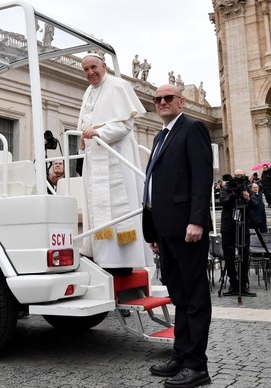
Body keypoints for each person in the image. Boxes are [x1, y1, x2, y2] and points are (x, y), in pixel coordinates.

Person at [143, 84, 212, 388]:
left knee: (194, 297)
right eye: (157, 99)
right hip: (166, 230)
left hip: (188, 230)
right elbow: (153, 185)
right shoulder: (161, 136)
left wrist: (197, 220)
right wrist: (153, 230)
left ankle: (197, 366)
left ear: (181, 101)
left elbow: (201, 176)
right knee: (180, 296)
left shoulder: (192, 128)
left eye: (168, 98)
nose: (162, 102)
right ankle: (182, 355)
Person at [77, 53, 153, 274]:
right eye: (86, 69)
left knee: (119, 208)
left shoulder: (119, 85)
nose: (90, 72)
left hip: (116, 157)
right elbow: (85, 121)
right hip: (94, 156)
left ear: (104, 66)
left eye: (94, 67)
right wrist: (85, 139)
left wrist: (99, 132)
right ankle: (98, 254)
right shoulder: (88, 92)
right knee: (96, 207)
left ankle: (122, 261)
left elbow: (125, 123)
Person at [219, 169, 257, 297]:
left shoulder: (247, 189)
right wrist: (233, 195)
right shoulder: (227, 188)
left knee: (244, 255)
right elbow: (222, 201)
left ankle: (243, 285)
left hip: (243, 225)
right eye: (236, 176)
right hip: (228, 227)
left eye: (241, 176)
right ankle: (233, 283)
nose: (238, 178)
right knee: (228, 256)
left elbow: (256, 205)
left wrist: (248, 199)